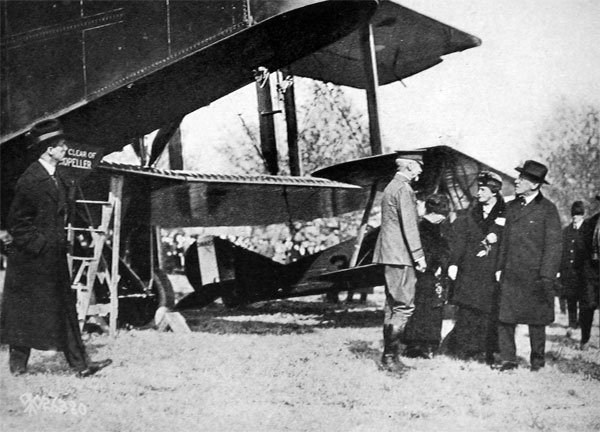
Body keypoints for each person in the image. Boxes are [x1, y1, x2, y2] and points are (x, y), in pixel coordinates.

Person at [0, 119, 112, 377]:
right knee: (23, 311)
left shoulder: (58, 178)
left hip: (53, 257)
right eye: (61, 146)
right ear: (48, 149)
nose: (65, 149)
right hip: (31, 259)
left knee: (65, 309)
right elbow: (17, 224)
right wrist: (41, 246)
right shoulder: (30, 180)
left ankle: (81, 365)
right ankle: (17, 368)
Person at [494, 160, 562, 372]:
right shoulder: (510, 207)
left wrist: (546, 277)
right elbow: (503, 240)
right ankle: (508, 360)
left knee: (536, 322)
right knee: (505, 319)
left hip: (535, 276)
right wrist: (498, 268)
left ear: (534, 185)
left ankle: (537, 362)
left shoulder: (548, 210)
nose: (517, 181)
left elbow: (554, 247)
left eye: (522, 178)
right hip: (510, 273)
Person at [442, 171, 505, 364]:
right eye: (479, 188)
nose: (478, 193)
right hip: (469, 273)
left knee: (489, 314)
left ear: (494, 192)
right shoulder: (468, 218)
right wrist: (453, 264)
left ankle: (486, 351)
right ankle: (463, 350)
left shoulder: (506, 217)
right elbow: (459, 243)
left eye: (483, 189)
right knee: (467, 313)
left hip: (492, 274)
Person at [373, 153, 427, 372]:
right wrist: (419, 255)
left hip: (390, 254)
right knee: (403, 306)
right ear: (410, 166)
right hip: (401, 256)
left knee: (392, 307)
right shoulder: (404, 189)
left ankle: (390, 358)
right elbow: (410, 226)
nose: (421, 171)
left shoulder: (390, 187)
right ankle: (390, 358)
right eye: (419, 167)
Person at [403, 194, 452, 359]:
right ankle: (420, 344)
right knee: (427, 308)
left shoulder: (425, 226)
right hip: (427, 273)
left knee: (427, 308)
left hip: (430, 274)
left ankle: (421, 344)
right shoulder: (433, 227)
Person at [558, 201, 587, 337]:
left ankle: (582, 322)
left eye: (579, 214)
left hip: (582, 272)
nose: (576, 217)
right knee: (570, 299)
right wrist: (560, 270)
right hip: (568, 271)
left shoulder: (587, 230)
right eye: (574, 214)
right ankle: (571, 323)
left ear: (583, 215)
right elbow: (562, 252)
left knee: (583, 299)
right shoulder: (567, 231)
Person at [579, 195, 599, 350]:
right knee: (587, 305)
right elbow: (581, 248)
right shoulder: (590, 223)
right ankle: (584, 339)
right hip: (591, 270)